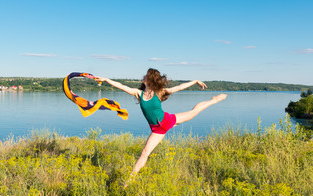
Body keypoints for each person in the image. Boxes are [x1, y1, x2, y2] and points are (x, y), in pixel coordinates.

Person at [95, 68, 227, 188]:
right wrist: (106, 79)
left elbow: (179, 87)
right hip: (157, 130)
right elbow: (121, 86)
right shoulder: (138, 93)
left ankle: (213, 100)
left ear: (150, 79)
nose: (143, 77)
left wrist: (195, 81)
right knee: (144, 153)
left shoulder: (159, 92)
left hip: (167, 120)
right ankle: (128, 183)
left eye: (146, 76)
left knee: (193, 112)